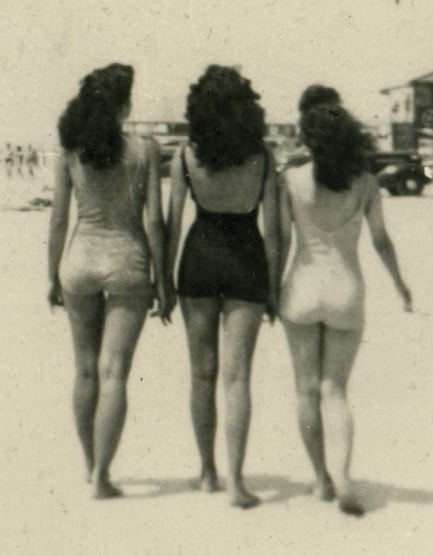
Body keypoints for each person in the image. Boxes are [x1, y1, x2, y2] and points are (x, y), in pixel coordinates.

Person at [278, 103, 413, 516]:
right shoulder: (366, 183)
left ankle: (320, 480)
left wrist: (270, 289)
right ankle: (343, 476)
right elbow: (381, 241)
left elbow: (281, 242)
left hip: (301, 286)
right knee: (334, 391)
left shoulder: (291, 180)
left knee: (305, 390)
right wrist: (401, 285)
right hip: (346, 289)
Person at [47, 63, 169, 499]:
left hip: (78, 261)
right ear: (125, 104)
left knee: (83, 371)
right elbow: (155, 221)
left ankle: (88, 462)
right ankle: (102, 475)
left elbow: (60, 220)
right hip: (128, 262)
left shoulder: (72, 150)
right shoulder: (145, 150)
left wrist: (51, 275)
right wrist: (165, 280)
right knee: (113, 372)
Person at [165, 65, 278, 509]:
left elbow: (173, 224)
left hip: (198, 259)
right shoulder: (263, 156)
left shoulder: (185, 155)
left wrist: (164, 279)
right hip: (247, 259)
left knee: (201, 373)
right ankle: (236, 482)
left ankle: (207, 472)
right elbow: (275, 229)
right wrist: (271, 287)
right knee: (237, 378)